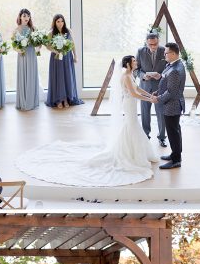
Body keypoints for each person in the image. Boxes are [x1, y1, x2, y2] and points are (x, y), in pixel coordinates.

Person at [16, 55, 160, 186]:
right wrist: (150, 100)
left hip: (132, 104)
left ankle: (136, 152)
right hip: (129, 104)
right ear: (128, 64)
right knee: (132, 126)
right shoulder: (126, 76)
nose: (136, 62)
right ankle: (130, 153)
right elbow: (134, 93)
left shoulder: (131, 75)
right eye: (134, 61)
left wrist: (149, 96)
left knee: (132, 126)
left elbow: (139, 89)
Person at [156, 42, 186, 169]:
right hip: (172, 104)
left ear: (173, 54)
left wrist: (158, 99)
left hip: (172, 105)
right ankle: (175, 154)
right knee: (175, 131)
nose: (164, 55)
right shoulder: (174, 64)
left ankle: (176, 160)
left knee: (173, 133)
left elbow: (171, 92)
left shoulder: (175, 70)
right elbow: (166, 83)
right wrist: (157, 92)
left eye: (166, 53)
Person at [135, 31, 168, 146]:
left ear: (158, 41)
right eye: (150, 44)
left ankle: (162, 137)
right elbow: (136, 69)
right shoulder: (140, 51)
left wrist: (161, 75)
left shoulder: (164, 51)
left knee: (161, 113)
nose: (153, 46)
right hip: (145, 87)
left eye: (155, 44)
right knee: (145, 112)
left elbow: (169, 68)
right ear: (146, 43)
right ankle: (145, 135)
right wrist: (143, 76)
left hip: (160, 88)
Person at [45, 13, 80, 108]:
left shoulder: (68, 31)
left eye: (62, 21)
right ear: (55, 22)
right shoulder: (51, 32)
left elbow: (72, 44)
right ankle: (59, 100)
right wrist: (55, 50)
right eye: (58, 21)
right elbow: (47, 46)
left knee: (67, 77)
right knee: (58, 77)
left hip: (67, 57)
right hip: (56, 58)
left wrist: (75, 56)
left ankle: (66, 99)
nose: (60, 23)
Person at [13, 9, 40, 111]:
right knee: (23, 76)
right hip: (22, 55)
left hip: (31, 54)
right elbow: (14, 45)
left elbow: (38, 43)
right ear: (20, 17)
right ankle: (23, 101)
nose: (26, 18)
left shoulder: (33, 29)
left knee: (31, 75)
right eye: (24, 16)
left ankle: (31, 101)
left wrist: (39, 46)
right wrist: (19, 50)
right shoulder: (16, 30)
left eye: (28, 16)